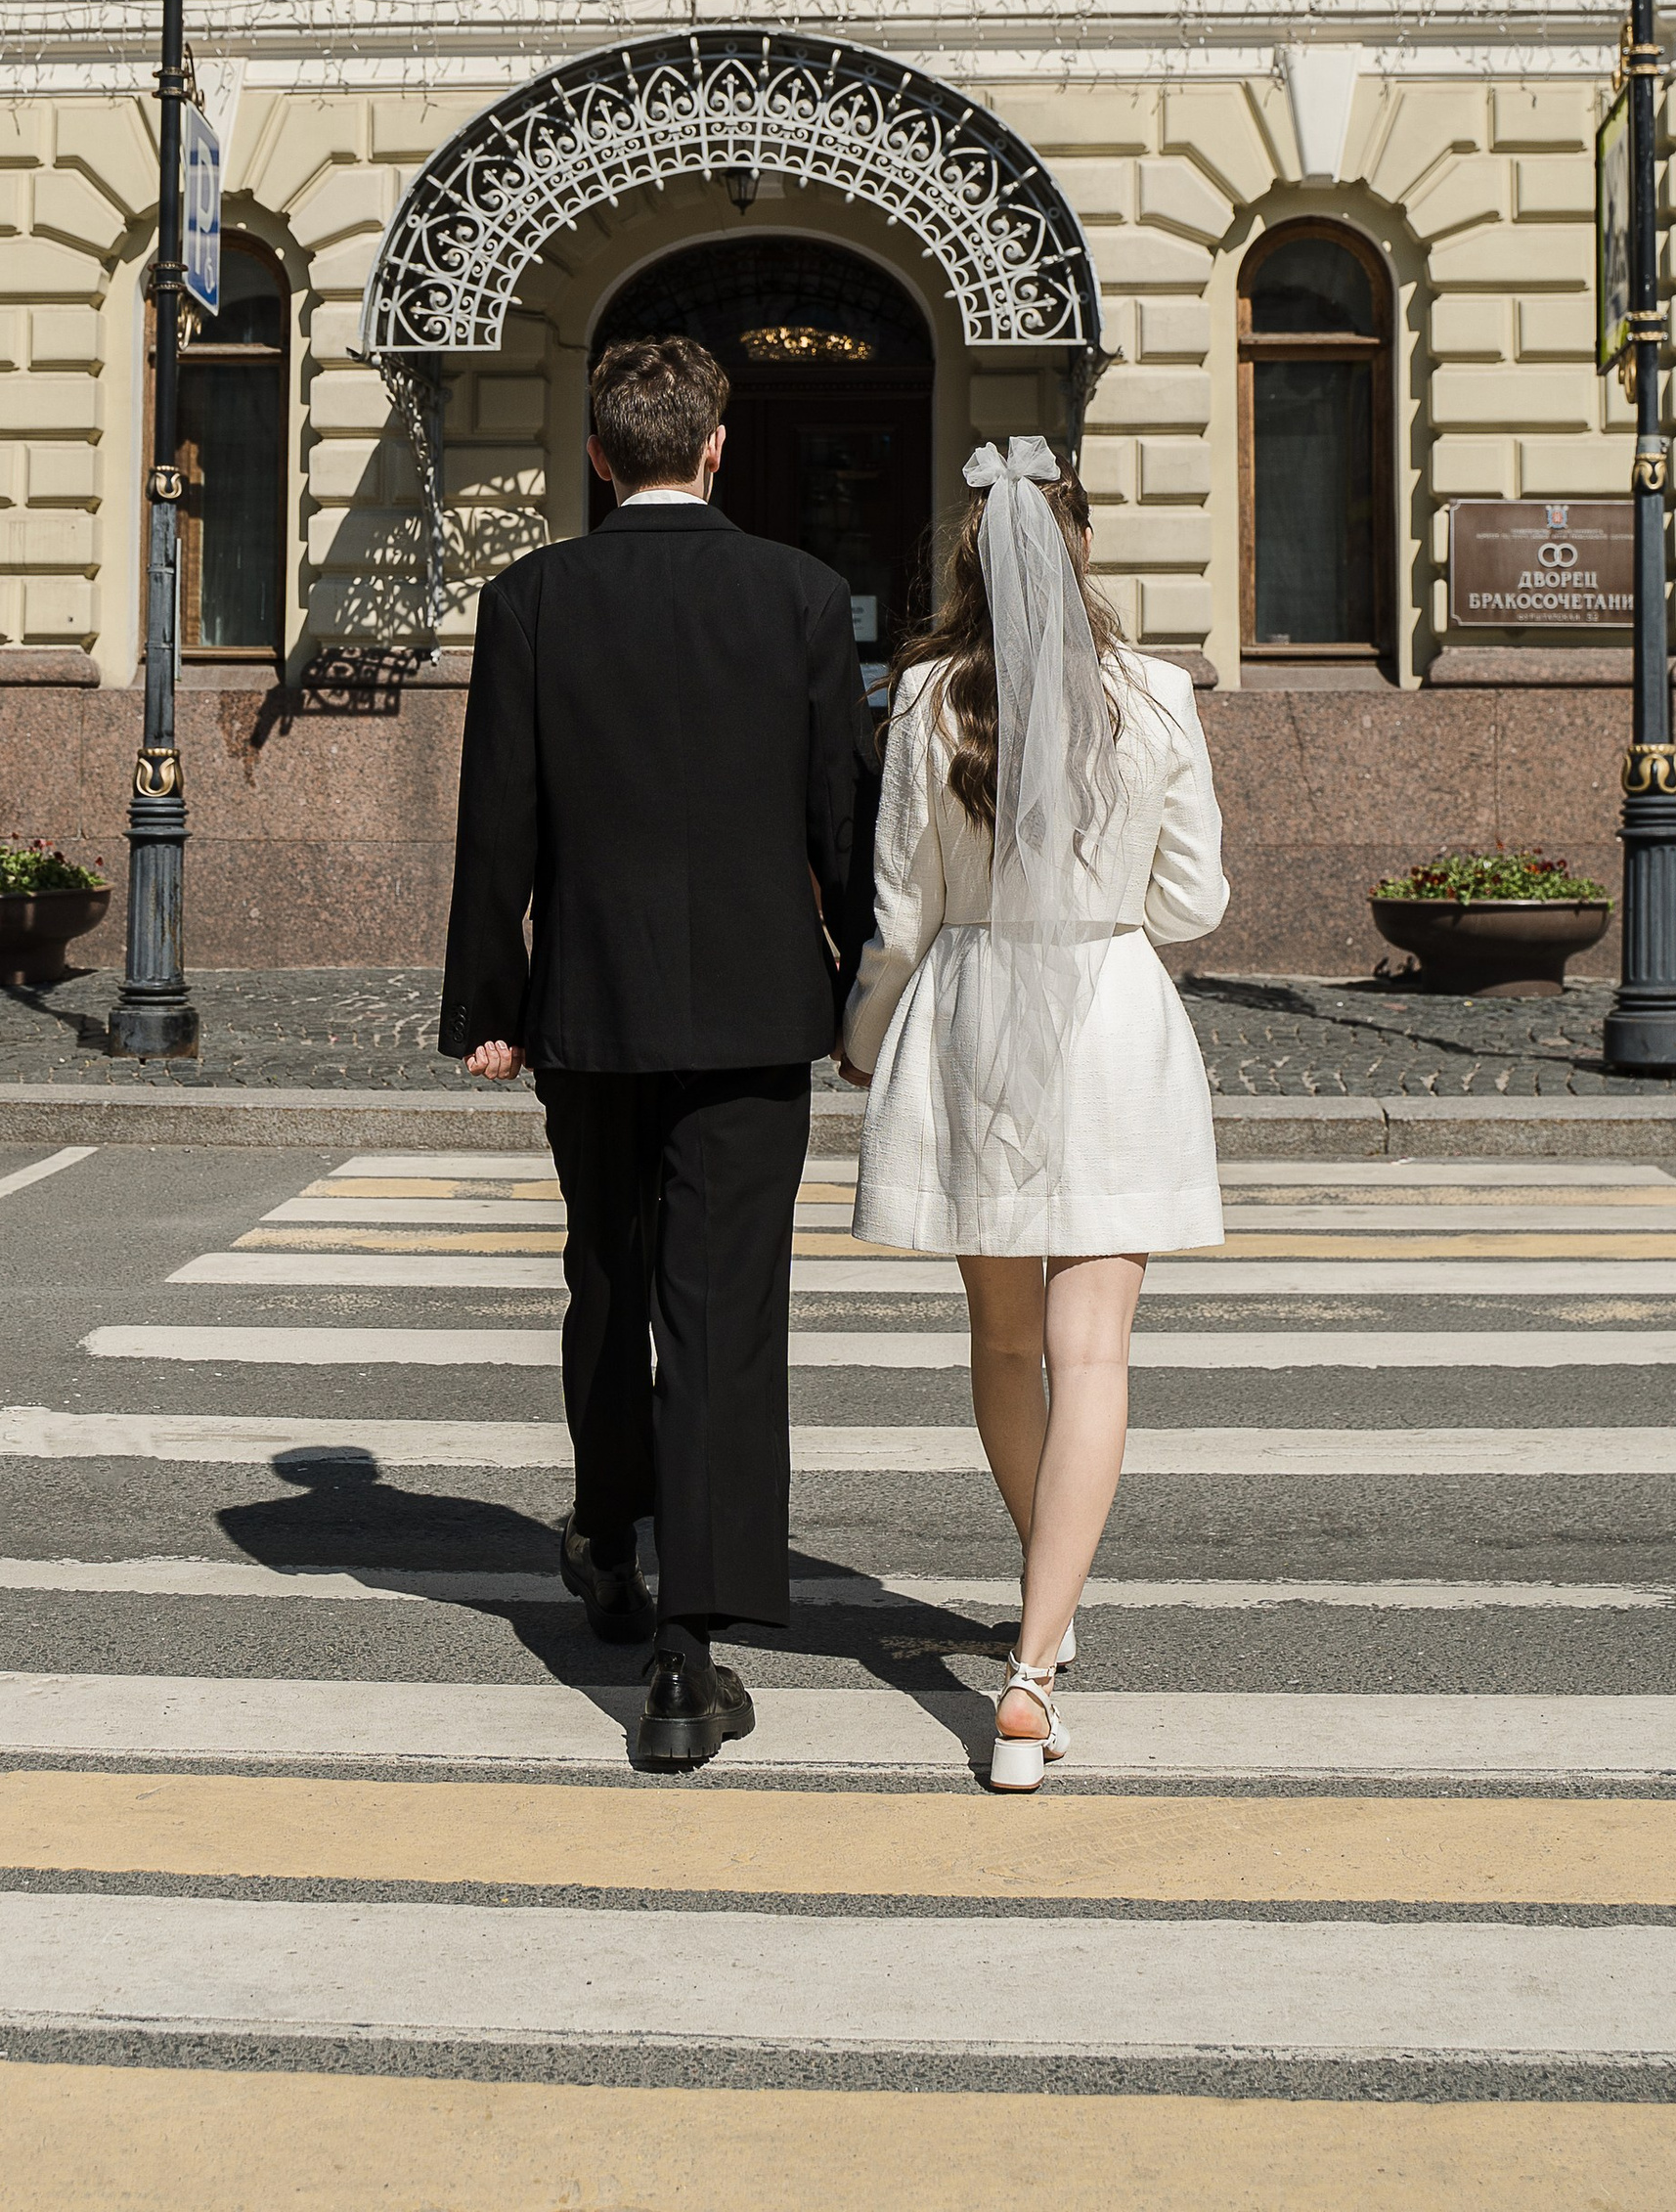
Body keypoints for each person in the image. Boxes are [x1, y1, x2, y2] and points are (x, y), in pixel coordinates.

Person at [439, 331, 878, 1771]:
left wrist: (488, 1004)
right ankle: (692, 1648)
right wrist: (869, 988)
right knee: (722, 1317)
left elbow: (498, 818)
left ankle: (608, 1546)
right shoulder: (804, 597)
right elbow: (839, 818)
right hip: (757, 1010)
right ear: (715, 446)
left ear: (595, 453)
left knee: (608, 1277)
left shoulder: (532, 599)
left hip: (591, 1004)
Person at [838, 435, 1226, 1792]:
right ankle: (1030, 1665)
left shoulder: (933, 696)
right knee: (1096, 1353)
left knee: (1005, 1343)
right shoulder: (1158, 696)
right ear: (1082, 551)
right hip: (1109, 1015)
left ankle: (1041, 1616)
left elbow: (899, 915)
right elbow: (1197, 903)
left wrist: (866, 1041)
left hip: (972, 1012)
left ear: (971, 559)